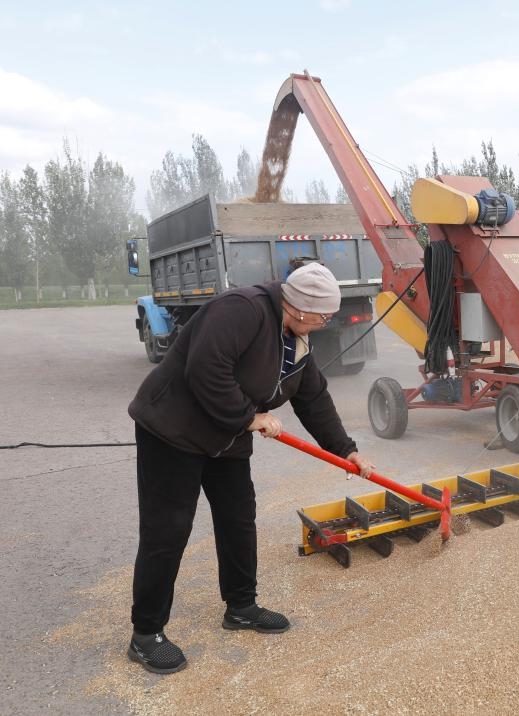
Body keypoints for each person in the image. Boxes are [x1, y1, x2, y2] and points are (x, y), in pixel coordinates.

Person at [126, 262, 375, 674]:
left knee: (238, 518)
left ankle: (241, 606)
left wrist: (345, 449)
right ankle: (146, 633)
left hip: (224, 436)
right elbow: (205, 368)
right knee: (167, 529)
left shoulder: (297, 339)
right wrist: (249, 418)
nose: (328, 321)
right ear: (299, 308)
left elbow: (312, 397)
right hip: (173, 430)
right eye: (324, 314)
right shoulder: (242, 310)